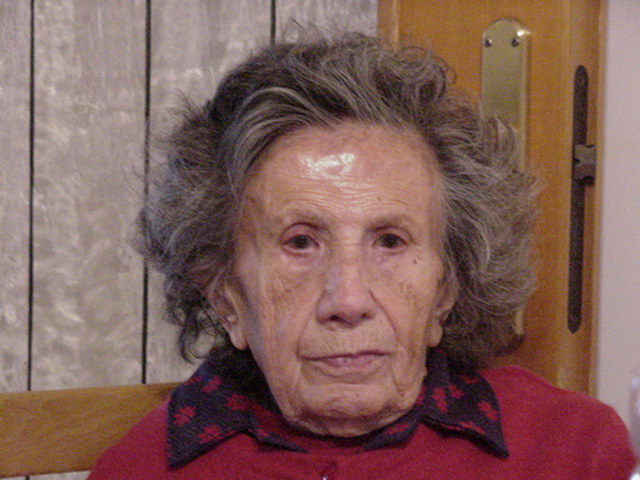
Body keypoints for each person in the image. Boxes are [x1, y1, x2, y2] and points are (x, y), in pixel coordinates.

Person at [89, 33, 635, 479]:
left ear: (445, 290)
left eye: (390, 242)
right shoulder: (142, 470)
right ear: (226, 296)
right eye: (300, 242)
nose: (348, 302)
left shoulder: (573, 451)